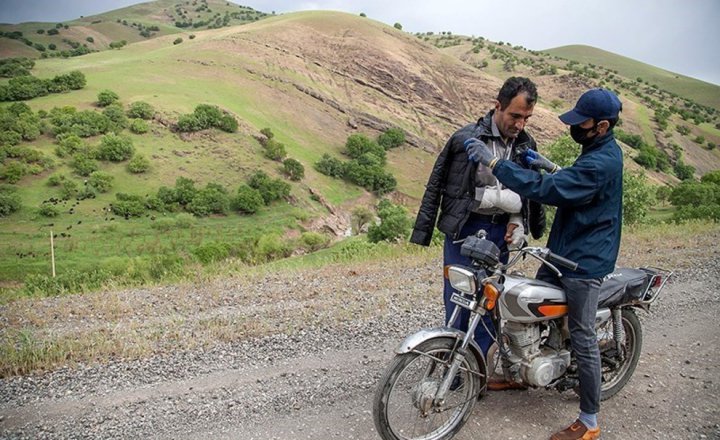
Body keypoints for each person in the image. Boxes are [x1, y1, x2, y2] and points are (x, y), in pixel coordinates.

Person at [463, 87, 623, 440]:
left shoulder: (603, 160)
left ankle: (590, 421)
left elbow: (551, 190)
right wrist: (550, 166)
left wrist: (494, 164)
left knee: (582, 336)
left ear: (602, 126)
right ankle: (520, 371)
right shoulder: (594, 150)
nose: (575, 126)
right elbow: (571, 181)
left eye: (582, 122)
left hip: (586, 260)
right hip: (564, 250)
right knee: (530, 310)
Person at [410, 76, 546, 361]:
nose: (520, 124)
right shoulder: (465, 139)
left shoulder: (525, 144)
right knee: (459, 299)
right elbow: (438, 184)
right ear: (497, 106)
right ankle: (454, 368)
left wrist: (519, 220)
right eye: (515, 116)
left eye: (527, 118)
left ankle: (481, 368)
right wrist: (422, 231)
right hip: (465, 231)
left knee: (490, 301)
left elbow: (530, 186)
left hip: (501, 235)